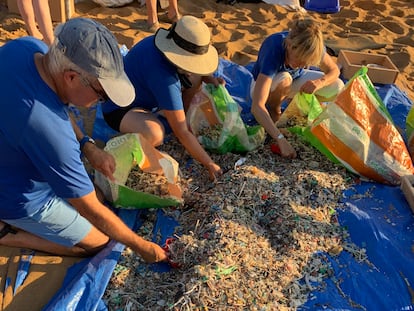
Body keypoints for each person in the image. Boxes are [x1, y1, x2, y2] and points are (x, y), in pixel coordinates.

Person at [0, 17, 167, 263]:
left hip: (12, 152)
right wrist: (143, 247)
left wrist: (88, 146)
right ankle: (9, 236)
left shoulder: (26, 47)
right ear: (70, 77)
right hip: (17, 197)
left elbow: (52, 103)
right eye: (101, 93)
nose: (100, 102)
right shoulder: (51, 132)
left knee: (98, 194)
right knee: (99, 242)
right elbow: (90, 209)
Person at [102, 15, 224, 181]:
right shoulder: (163, 76)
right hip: (119, 107)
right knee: (155, 133)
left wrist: (210, 79)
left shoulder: (166, 44)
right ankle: (125, 143)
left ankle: (174, 117)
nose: (192, 68)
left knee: (195, 79)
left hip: (146, 98)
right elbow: (181, 131)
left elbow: (199, 72)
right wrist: (209, 163)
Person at [250, 13, 344, 159]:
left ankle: (300, 110)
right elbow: (257, 106)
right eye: (300, 60)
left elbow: (334, 70)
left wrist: (319, 83)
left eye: (307, 62)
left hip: (293, 80)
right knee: (285, 78)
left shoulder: (313, 46)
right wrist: (280, 139)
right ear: (290, 46)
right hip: (263, 85)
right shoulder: (274, 48)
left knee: (337, 86)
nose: (303, 65)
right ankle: (276, 113)